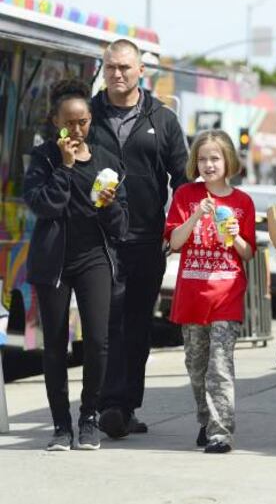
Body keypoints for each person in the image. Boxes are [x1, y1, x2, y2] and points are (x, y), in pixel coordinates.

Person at [89, 39, 188, 438]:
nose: (117, 74)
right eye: (111, 67)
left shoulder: (162, 119)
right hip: (97, 238)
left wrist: (179, 227)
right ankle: (108, 404)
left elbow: (182, 178)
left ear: (141, 71)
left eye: (125, 67)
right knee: (105, 323)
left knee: (137, 326)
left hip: (147, 238)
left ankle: (126, 405)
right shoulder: (86, 116)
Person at [23, 79, 128, 451]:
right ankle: (61, 426)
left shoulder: (106, 161)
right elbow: (43, 205)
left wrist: (110, 204)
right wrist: (65, 168)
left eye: (83, 121)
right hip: (53, 263)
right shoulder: (43, 159)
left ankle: (88, 418)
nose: (77, 130)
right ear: (55, 121)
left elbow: (121, 226)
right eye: (69, 123)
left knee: (98, 342)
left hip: (93, 260)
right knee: (54, 345)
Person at [164, 130, 256, 453]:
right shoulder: (186, 196)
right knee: (196, 365)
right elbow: (174, 243)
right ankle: (206, 418)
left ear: (228, 160)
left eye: (215, 158)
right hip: (192, 295)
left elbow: (246, 253)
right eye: (202, 159)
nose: (208, 164)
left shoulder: (242, 202)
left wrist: (237, 234)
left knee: (220, 364)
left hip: (226, 293)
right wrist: (196, 216)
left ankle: (221, 432)